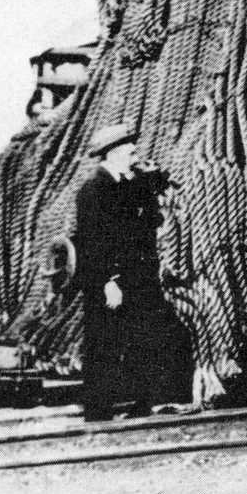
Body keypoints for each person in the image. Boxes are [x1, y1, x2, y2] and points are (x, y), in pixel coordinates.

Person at [68, 123, 184, 421]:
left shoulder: (125, 184)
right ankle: (97, 412)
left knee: (143, 339)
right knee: (102, 342)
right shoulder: (93, 190)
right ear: (114, 151)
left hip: (137, 278)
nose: (134, 151)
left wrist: (153, 180)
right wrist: (107, 282)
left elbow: (145, 215)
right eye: (128, 147)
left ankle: (141, 405)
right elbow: (91, 243)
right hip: (107, 281)